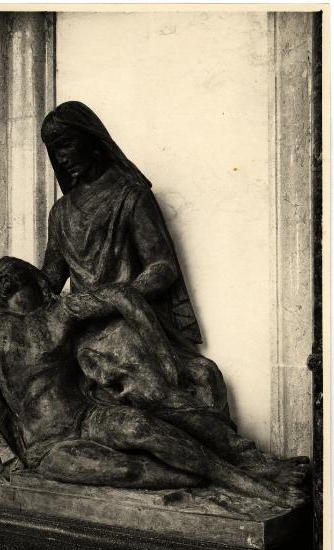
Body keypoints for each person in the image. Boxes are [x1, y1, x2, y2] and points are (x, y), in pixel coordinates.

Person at [0, 256, 307, 509]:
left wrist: (163, 352)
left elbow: (122, 295)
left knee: (142, 427)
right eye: (1, 286)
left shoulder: (57, 315)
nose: (7, 289)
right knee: (127, 469)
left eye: (16, 282)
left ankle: (253, 484)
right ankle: (212, 478)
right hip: (47, 446)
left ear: (39, 284)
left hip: (86, 417)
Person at [40, 101, 227, 417]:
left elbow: (162, 267)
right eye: (54, 150)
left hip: (126, 318)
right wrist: (15, 285)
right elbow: (50, 279)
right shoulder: (61, 212)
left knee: (183, 378)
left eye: (67, 144)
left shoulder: (130, 194)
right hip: (82, 325)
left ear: (92, 139)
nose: (61, 157)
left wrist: (116, 301)